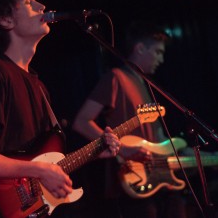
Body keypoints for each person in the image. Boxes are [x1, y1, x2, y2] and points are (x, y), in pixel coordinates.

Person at [0, 0, 120, 217]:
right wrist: (38, 170)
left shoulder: (38, 84)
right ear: (5, 19)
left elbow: (45, 159)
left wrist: (96, 151)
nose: (42, 7)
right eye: (29, 2)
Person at [72, 21, 189, 218]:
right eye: (158, 52)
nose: (161, 59)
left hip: (159, 176)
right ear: (140, 48)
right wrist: (123, 149)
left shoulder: (144, 82)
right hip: (131, 176)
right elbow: (81, 121)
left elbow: (157, 134)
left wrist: (185, 152)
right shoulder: (115, 78)